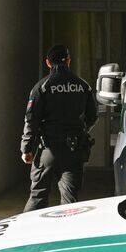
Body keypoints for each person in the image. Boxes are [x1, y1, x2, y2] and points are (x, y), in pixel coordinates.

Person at [21, 44, 98, 212]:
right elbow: (92, 116)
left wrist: (26, 147)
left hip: (48, 149)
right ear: (69, 61)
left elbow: (31, 119)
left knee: (38, 196)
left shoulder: (42, 87)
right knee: (71, 200)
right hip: (74, 149)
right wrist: (80, 130)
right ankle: (68, 234)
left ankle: (26, 234)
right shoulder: (83, 85)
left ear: (48, 63)